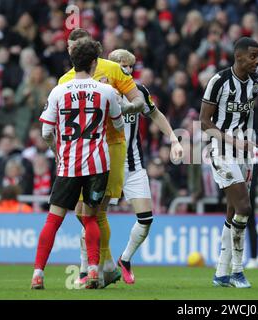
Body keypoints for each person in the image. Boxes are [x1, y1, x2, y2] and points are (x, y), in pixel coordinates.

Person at [31, 39, 124, 289]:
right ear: (94, 63)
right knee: (91, 218)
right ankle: (93, 271)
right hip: (97, 164)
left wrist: (58, 151)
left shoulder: (59, 90)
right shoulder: (106, 92)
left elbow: (46, 133)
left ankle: (38, 274)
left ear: (73, 62)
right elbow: (118, 125)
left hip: (69, 165)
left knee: (53, 220)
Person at [58, 28, 145, 288]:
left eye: (76, 47)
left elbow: (138, 98)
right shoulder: (64, 80)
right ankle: (103, 266)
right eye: (69, 47)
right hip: (81, 151)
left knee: (96, 211)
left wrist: (125, 107)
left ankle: (92, 269)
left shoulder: (112, 69)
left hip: (111, 147)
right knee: (81, 212)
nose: (72, 51)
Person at [200, 37, 258, 288]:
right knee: (244, 208)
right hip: (221, 150)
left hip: (245, 154)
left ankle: (220, 273)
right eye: (253, 56)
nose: (257, 60)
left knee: (233, 212)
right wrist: (235, 142)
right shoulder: (218, 82)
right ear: (238, 56)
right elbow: (205, 122)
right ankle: (238, 270)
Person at [103, 49, 183, 284]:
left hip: (133, 164)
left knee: (146, 219)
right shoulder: (99, 91)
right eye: (123, 66)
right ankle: (89, 269)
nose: (128, 71)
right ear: (111, 66)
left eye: (130, 67)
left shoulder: (137, 92)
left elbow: (156, 114)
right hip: (105, 166)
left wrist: (174, 139)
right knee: (93, 218)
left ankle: (124, 259)